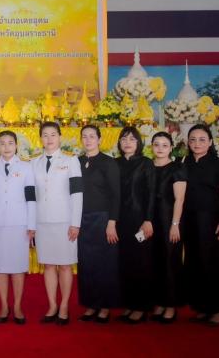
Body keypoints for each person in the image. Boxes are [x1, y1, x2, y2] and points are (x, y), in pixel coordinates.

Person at [182, 124, 219, 326]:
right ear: (187, 143)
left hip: (211, 219)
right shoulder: (184, 162)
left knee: (212, 262)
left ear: (210, 142)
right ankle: (201, 307)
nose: (197, 143)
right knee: (194, 261)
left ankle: (215, 310)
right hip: (189, 219)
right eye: (193, 140)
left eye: (202, 139)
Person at [32, 121, 82, 326]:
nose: (49, 138)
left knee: (65, 265)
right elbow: (31, 196)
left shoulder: (71, 161)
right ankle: (52, 305)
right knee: (49, 265)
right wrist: (31, 224)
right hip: (42, 222)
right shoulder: (33, 163)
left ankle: (64, 306)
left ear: (60, 137)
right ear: (40, 138)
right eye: (45, 135)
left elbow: (77, 194)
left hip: (64, 222)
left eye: (53, 134)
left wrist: (75, 223)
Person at [0, 130, 36, 325]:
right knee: (0, 267)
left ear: (16, 146)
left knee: (18, 267)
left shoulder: (27, 167)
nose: (6, 147)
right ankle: (4, 306)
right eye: (2, 143)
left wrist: (32, 224)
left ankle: (18, 307)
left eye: (10, 143)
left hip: (20, 224)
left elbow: (31, 197)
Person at [76, 125, 120, 324]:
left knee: (104, 264)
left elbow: (116, 195)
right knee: (86, 263)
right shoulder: (77, 162)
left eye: (92, 136)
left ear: (100, 139)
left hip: (102, 219)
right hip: (81, 220)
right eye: (84, 137)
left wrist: (112, 222)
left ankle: (104, 306)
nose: (88, 140)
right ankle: (90, 304)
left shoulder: (108, 163)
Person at [115, 125, 156, 324]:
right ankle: (129, 304)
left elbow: (151, 193)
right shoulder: (115, 164)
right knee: (124, 263)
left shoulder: (146, 163)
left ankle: (141, 307)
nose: (127, 142)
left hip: (140, 221)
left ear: (139, 143)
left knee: (141, 262)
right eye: (124, 139)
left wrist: (148, 220)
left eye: (132, 139)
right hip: (120, 221)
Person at [150, 131, 187, 323]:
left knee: (170, 261)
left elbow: (179, 199)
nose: (160, 148)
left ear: (171, 147)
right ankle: (159, 302)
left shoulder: (176, 168)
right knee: (154, 261)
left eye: (165, 145)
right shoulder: (147, 167)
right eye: (156, 144)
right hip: (150, 220)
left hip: (168, 220)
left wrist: (175, 224)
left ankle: (171, 305)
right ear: (151, 147)